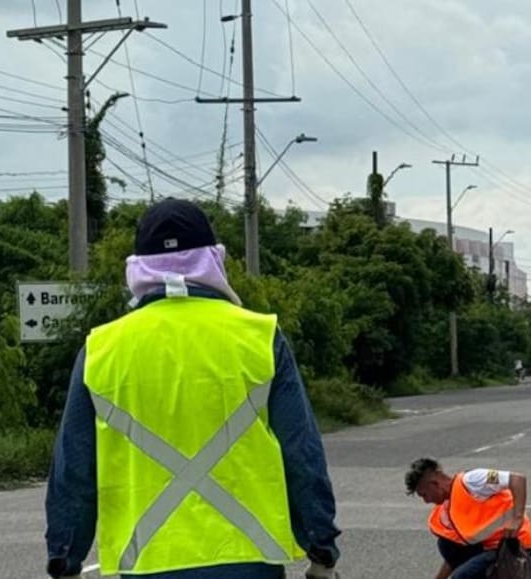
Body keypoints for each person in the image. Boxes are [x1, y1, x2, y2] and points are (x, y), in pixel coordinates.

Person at [44, 198, 341, 579]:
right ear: (213, 258)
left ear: (138, 267)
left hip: (148, 564)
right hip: (248, 562)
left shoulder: (102, 348)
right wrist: (321, 549)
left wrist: (65, 559)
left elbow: (75, 467)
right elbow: (301, 452)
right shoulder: (260, 337)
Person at [405, 457, 531, 579]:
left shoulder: (472, 480)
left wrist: (516, 519)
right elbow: (455, 555)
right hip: (494, 549)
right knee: (447, 544)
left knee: (462, 576)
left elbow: (517, 479)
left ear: (435, 483)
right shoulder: (448, 507)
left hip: (516, 549)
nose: (426, 501)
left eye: (424, 494)